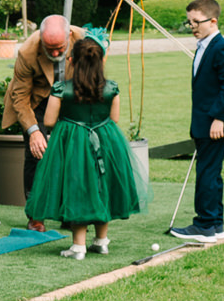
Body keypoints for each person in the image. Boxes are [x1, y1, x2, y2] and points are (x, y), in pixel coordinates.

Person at [24, 37, 144, 258]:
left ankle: (78, 246)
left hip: (73, 143)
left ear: (71, 61)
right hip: (106, 140)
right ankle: (101, 241)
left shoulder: (61, 89)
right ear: (101, 62)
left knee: (77, 186)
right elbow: (114, 118)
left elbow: (49, 121)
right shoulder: (111, 88)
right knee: (102, 185)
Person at [170, 0, 224, 243]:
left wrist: (219, 118)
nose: (192, 27)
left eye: (196, 22)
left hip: (215, 123)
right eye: (189, 22)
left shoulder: (221, 47)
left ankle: (205, 225)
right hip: (204, 121)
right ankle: (216, 224)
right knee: (211, 172)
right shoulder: (204, 45)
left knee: (207, 173)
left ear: (212, 21)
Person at [3, 14, 83, 229]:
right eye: (50, 48)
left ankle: (70, 213)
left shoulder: (83, 40)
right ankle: (36, 215)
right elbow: (20, 97)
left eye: (59, 48)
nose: (55, 53)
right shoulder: (28, 52)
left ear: (69, 35)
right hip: (37, 102)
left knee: (73, 154)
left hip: (70, 99)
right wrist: (34, 131)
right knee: (36, 154)